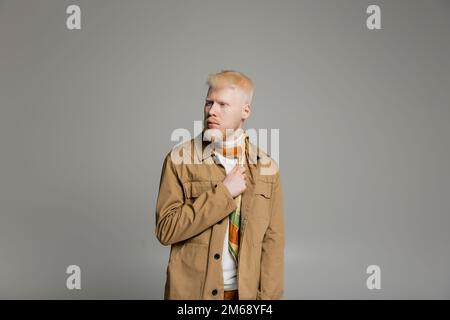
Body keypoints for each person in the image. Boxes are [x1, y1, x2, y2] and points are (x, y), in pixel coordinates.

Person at [155, 70, 284, 300]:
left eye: (222, 104)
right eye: (208, 103)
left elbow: (272, 244)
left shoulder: (267, 168)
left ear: (246, 110)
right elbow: (166, 230)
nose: (211, 111)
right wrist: (223, 194)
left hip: (243, 297)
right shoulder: (179, 160)